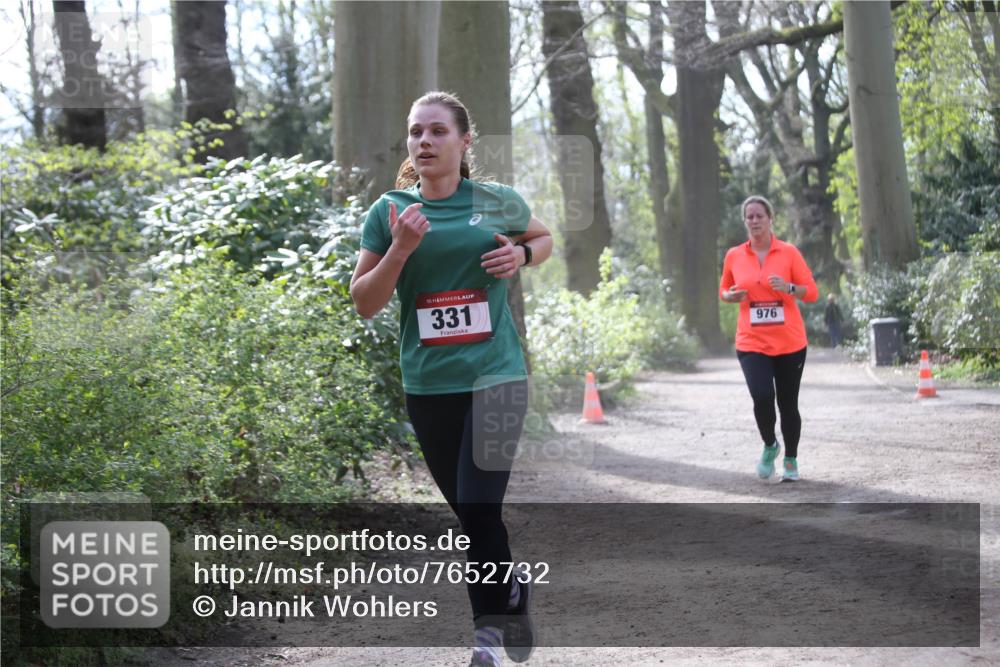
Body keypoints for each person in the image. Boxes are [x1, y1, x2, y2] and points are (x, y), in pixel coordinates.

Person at [350, 91, 553, 667]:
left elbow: (542, 238)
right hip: (429, 385)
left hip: (497, 378)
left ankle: (487, 635)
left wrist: (522, 257)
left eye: (438, 131)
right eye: (416, 132)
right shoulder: (390, 212)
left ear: (465, 142)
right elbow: (364, 301)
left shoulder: (495, 201)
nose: (425, 142)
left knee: (479, 507)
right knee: (470, 513)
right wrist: (400, 251)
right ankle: (511, 591)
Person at [719, 196, 818, 482]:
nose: (754, 220)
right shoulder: (734, 256)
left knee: (788, 403)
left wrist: (788, 287)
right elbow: (723, 290)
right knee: (762, 397)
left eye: (759, 215)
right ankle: (770, 445)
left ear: (770, 218)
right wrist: (730, 296)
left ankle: (790, 459)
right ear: (745, 221)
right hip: (751, 342)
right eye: (749, 216)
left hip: (789, 342)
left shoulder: (788, 253)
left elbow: (811, 292)